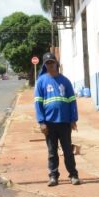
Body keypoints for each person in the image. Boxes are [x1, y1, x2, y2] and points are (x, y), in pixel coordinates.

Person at [34, 52, 81, 186]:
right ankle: (53, 176)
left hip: (64, 122)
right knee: (52, 152)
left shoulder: (65, 81)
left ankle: (73, 175)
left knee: (68, 150)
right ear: (45, 65)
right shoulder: (41, 82)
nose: (50, 65)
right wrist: (41, 122)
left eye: (52, 62)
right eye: (47, 63)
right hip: (49, 123)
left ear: (56, 63)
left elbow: (72, 101)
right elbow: (38, 103)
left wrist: (73, 119)